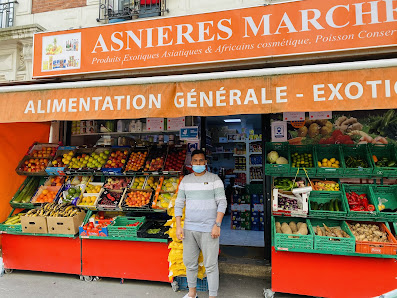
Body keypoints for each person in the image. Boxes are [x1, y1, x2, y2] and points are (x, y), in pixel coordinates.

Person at [175, 149, 227, 298]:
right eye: (195, 161)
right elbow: (179, 203)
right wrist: (179, 226)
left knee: (210, 266)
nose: (198, 163)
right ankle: (192, 294)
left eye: (201, 161)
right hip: (189, 229)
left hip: (209, 229)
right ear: (191, 163)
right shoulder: (185, 180)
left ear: (206, 162)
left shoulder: (214, 179)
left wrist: (217, 224)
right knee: (190, 264)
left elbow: (222, 203)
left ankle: (212, 296)